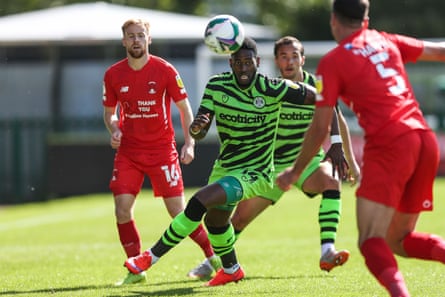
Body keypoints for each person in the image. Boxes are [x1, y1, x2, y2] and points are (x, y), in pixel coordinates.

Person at [276, 1, 445, 296]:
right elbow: (439, 51)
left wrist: (295, 170)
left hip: (392, 143)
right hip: (424, 140)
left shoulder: (333, 62)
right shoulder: (385, 40)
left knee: (370, 240)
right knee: (399, 240)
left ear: (333, 20)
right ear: (365, 19)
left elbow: (319, 127)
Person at [123, 36, 318, 286]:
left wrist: (331, 126)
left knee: (199, 201)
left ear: (257, 62)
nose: (244, 68)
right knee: (215, 223)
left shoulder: (272, 87)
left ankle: (149, 258)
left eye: (248, 62)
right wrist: (198, 127)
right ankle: (232, 269)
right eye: (238, 63)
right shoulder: (217, 85)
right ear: (230, 62)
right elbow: (200, 128)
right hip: (225, 167)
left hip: (256, 172)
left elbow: (317, 95)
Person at [102, 18, 220, 285]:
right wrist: (115, 130)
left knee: (178, 213)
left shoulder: (165, 70)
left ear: (149, 39)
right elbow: (109, 114)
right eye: (131, 36)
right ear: (124, 41)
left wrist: (190, 142)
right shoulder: (113, 75)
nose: (136, 40)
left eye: (140, 36)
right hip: (129, 152)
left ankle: (212, 255)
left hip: (161, 151)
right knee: (122, 209)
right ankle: (137, 269)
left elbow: (185, 109)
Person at [230, 36, 360, 272]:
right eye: (283, 57)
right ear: (277, 61)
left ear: (302, 59)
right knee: (238, 220)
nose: (289, 62)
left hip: (307, 162)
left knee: (331, 181)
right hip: (271, 167)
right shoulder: (271, 88)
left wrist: (351, 161)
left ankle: (327, 251)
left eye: (294, 56)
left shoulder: (317, 85)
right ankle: (213, 261)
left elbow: (338, 119)